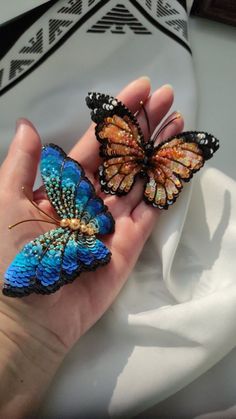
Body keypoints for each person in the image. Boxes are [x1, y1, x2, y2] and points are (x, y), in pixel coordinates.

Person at [0, 79, 183, 418]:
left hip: (91, 211)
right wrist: (13, 325)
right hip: (90, 215)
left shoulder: (50, 238)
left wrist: (15, 333)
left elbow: (52, 159)